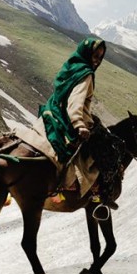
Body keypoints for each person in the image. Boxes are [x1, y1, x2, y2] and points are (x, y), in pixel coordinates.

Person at [39, 37, 117, 212]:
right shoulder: (85, 73)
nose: (97, 61)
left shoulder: (71, 66)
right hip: (72, 119)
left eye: (100, 57)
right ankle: (99, 196)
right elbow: (76, 100)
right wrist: (78, 123)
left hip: (54, 112)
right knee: (108, 151)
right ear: (87, 54)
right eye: (95, 56)